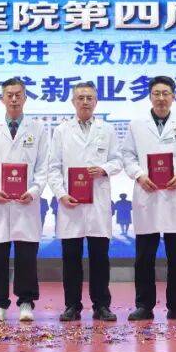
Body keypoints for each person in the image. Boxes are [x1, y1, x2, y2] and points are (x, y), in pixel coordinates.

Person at [120, 76, 176, 321]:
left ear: (174, 96)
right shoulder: (136, 125)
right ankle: (144, 305)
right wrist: (139, 175)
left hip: (175, 194)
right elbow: (127, 156)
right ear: (149, 96)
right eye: (156, 93)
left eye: (166, 93)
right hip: (147, 194)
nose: (161, 98)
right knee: (144, 257)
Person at [47, 81, 123, 322]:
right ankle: (72, 306)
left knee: (100, 257)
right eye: (80, 98)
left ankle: (102, 306)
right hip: (71, 203)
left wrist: (104, 169)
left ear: (96, 102)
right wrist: (61, 194)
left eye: (89, 98)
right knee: (71, 258)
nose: (85, 102)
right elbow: (53, 167)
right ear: (73, 102)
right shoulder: (61, 131)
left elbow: (118, 161)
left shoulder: (107, 130)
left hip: (98, 202)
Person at [0, 77, 50, 322]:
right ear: (2, 98)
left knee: (26, 256)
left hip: (26, 202)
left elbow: (43, 165)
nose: (14, 99)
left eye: (19, 94)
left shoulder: (38, 129)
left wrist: (35, 190)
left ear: (25, 98)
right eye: (9, 95)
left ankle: (26, 301)